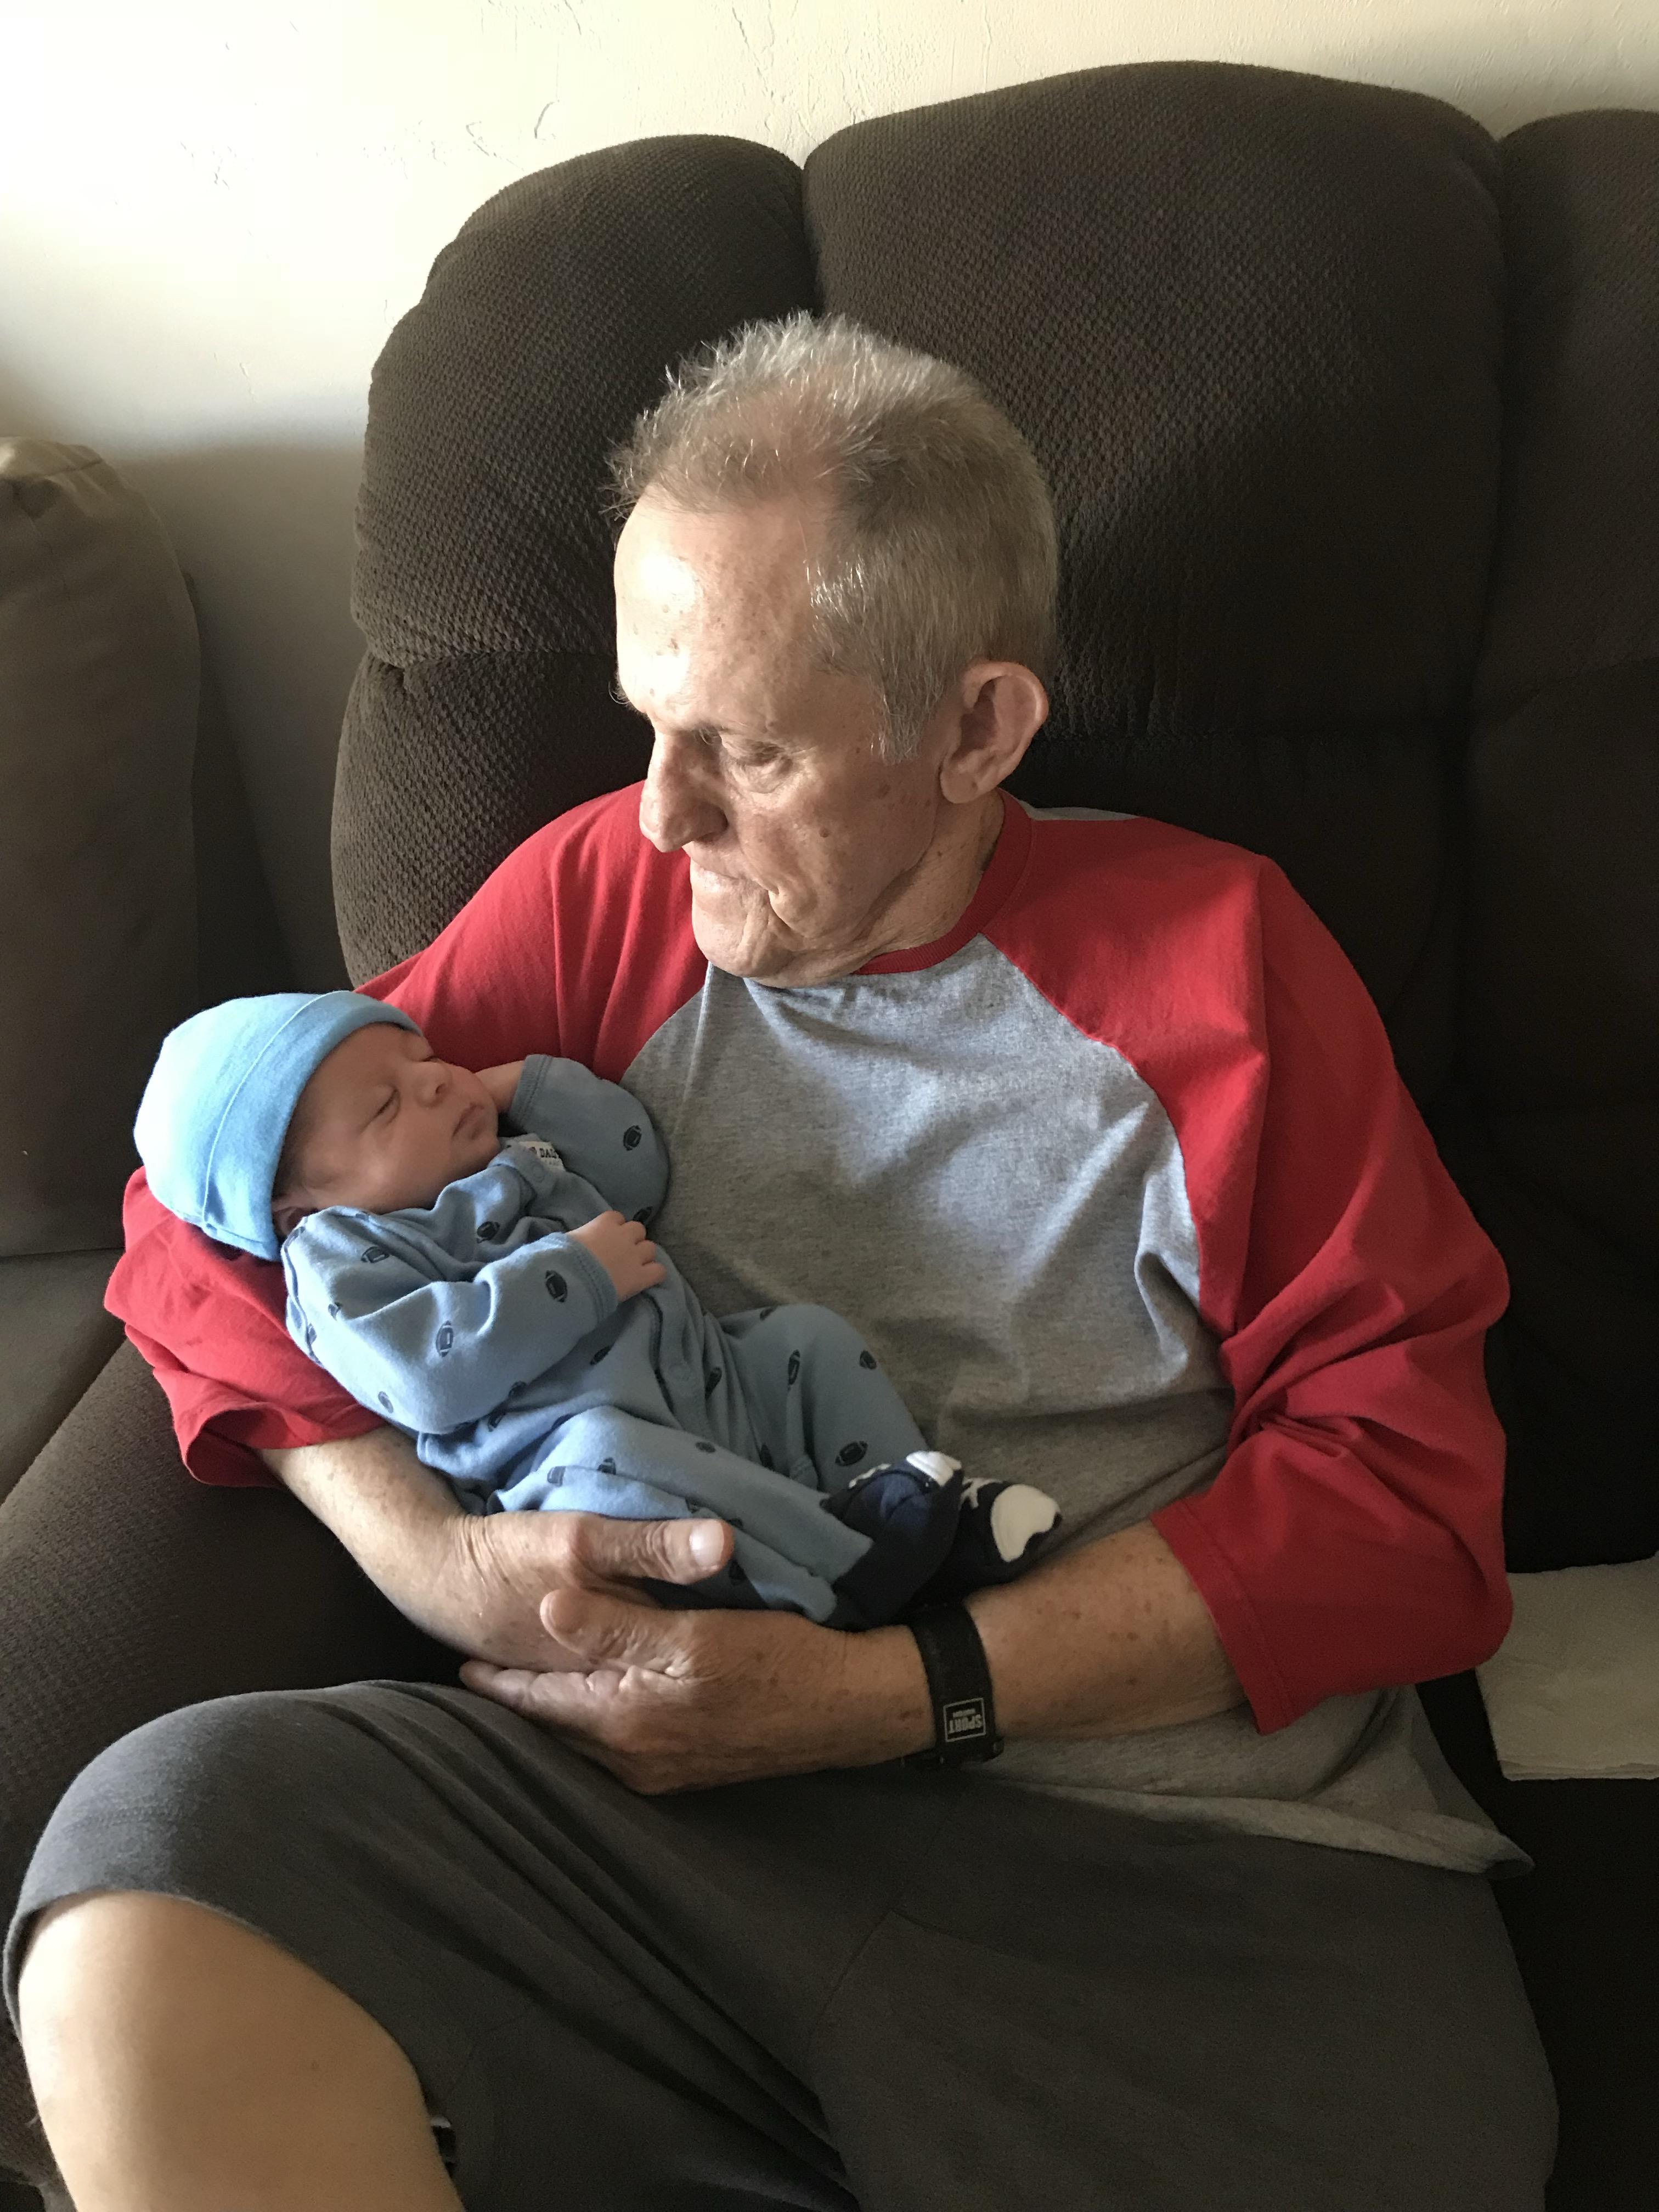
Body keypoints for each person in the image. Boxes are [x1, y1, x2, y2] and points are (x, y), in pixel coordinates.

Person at [8, 315, 1554, 2210]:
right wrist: (438, 1561)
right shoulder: (605, 892)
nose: (665, 813)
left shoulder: (1215, 970)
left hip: (1192, 1868)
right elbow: (207, 1212)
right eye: (647, 727)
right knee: (155, 1874)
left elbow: (1408, 1506)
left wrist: (892, 1691)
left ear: (977, 731)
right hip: (670, 1852)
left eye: (748, 750)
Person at [132, 995, 1058, 1624]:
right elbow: (425, 1378)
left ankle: (921, 1502)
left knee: (804, 1339)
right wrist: (576, 1275)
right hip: (577, 1461)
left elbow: (638, 1172)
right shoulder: (339, 1258)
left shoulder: (509, 1157)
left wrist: (527, 1089)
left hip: (710, 1380)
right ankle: (854, 1564)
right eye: (385, 1106)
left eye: (426, 1059)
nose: (437, 1082)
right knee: (617, 1449)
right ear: (293, 1206)